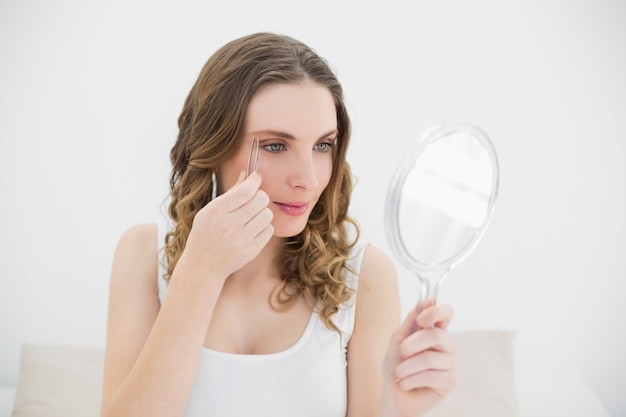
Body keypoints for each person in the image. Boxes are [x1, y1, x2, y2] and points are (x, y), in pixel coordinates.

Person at [101, 32, 457, 417]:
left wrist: (398, 407)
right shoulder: (142, 254)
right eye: (275, 146)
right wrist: (200, 271)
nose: (307, 178)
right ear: (212, 147)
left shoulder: (365, 276)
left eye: (323, 145)